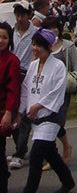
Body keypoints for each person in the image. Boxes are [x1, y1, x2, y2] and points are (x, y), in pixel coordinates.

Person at [19, 28, 75, 193]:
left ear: (48, 47)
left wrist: (38, 106)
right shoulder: (33, 65)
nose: (35, 48)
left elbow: (57, 92)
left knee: (36, 156)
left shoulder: (58, 66)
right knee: (50, 153)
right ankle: (68, 181)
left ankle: (29, 190)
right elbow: (26, 89)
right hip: (35, 118)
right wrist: (21, 112)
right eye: (33, 44)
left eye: (38, 45)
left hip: (51, 117)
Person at [42, 16, 77, 166]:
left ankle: (57, 153)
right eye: (49, 28)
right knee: (47, 122)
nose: (53, 30)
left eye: (55, 27)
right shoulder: (42, 46)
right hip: (45, 91)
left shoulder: (68, 46)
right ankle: (58, 150)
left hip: (63, 91)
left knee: (57, 122)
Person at [10, 1, 37, 170]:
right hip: (11, 75)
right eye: (18, 15)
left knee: (25, 114)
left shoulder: (35, 33)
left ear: (29, 15)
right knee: (12, 112)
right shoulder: (11, 31)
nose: (20, 18)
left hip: (27, 75)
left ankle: (19, 153)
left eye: (23, 15)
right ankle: (20, 148)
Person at [0, 21, 21, 192]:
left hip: (2, 111)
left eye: (4, 37)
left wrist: (8, 113)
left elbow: (13, 90)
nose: (1, 40)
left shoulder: (12, 61)